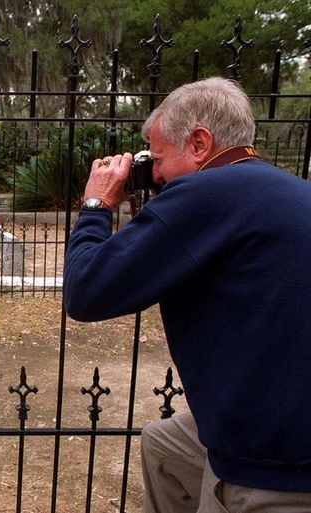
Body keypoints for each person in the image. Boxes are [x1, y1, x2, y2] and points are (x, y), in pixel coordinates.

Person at [63, 77, 311, 512]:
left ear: (199, 142)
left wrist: (96, 206)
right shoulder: (288, 191)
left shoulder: (206, 194)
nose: (154, 175)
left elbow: (87, 292)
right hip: (283, 414)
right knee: (166, 444)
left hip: (277, 460)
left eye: (157, 160)